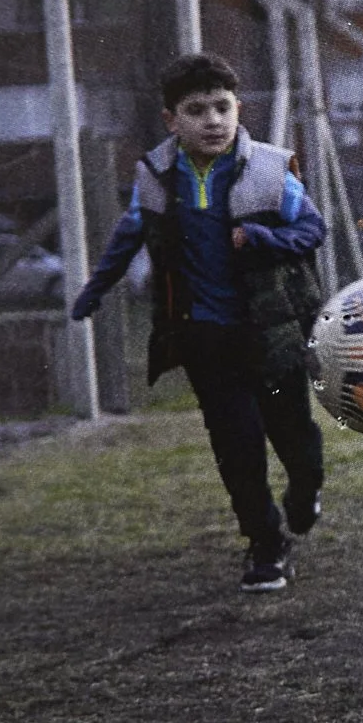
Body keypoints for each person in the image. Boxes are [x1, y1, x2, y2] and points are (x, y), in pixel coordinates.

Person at [70, 52, 326, 593]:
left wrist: (263, 238)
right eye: (196, 110)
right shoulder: (159, 177)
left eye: (221, 107)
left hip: (272, 334)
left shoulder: (269, 170)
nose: (212, 120)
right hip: (207, 338)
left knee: (295, 439)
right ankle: (266, 545)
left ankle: (304, 493)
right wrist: (94, 291)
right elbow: (127, 237)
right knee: (237, 446)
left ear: (238, 109)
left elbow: (311, 232)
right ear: (171, 120)